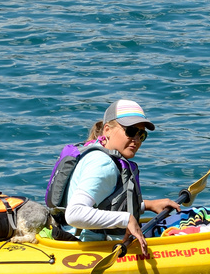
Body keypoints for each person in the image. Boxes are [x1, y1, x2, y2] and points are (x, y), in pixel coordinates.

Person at [63, 99, 177, 257]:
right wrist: (127, 219)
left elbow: (103, 203)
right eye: (130, 131)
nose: (136, 140)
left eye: (141, 135)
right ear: (107, 130)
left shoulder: (98, 154)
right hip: (86, 248)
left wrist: (147, 205)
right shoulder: (103, 164)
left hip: (73, 238)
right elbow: (74, 213)